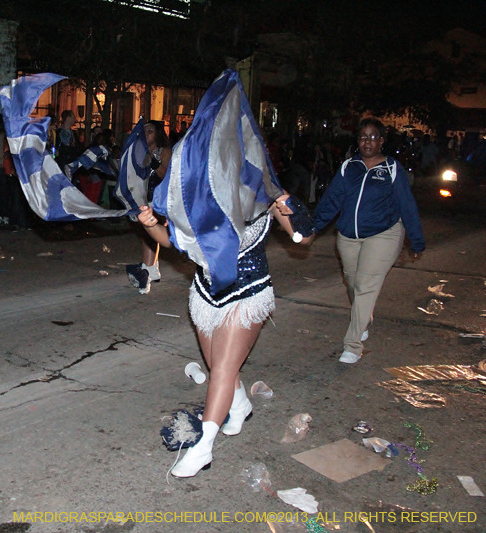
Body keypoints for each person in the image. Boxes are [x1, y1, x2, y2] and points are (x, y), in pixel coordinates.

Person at [137, 178, 307, 479]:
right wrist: (149, 224)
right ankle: (239, 405)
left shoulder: (267, 190)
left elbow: (304, 238)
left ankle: (202, 448)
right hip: (205, 292)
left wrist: (293, 210)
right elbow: (169, 240)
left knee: (224, 370)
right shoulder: (201, 186)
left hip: (248, 293)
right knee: (219, 366)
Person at [312, 118, 425, 364]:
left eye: (373, 136)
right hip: (349, 237)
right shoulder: (348, 167)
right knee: (352, 283)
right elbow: (332, 201)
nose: (367, 141)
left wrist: (416, 241)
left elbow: (407, 205)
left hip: (384, 234)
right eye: (363, 136)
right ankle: (363, 315)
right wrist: (313, 228)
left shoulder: (392, 169)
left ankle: (353, 345)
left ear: (382, 140)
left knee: (365, 285)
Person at [126, 121, 171, 294]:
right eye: (144, 131)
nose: (146, 134)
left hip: (159, 197)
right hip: (143, 197)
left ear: (158, 134)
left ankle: (147, 271)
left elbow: (167, 174)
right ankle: (152, 269)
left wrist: (153, 162)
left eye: (150, 131)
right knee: (147, 233)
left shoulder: (164, 151)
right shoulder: (139, 151)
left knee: (151, 233)